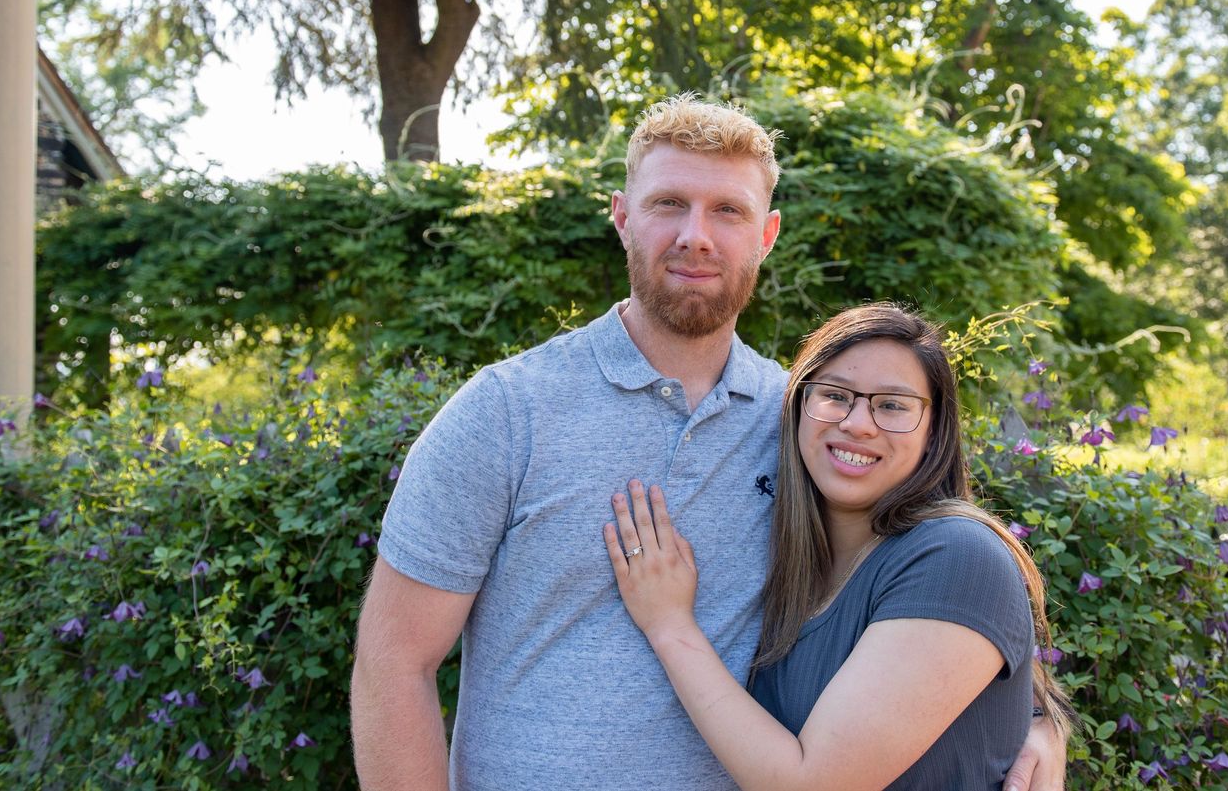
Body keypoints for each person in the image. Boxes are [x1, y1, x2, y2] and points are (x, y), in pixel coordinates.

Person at [350, 95, 1065, 791]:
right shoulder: (505, 412)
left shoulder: (803, 423)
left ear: (767, 234)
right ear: (623, 217)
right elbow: (394, 662)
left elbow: (931, 575)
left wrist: (1035, 719)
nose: (697, 233)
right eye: (669, 204)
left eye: (728, 210)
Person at [606, 304, 1068, 791]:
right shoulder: (800, 561)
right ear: (797, 409)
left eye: (892, 404)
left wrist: (670, 625)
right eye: (834, 396)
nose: (858, 423)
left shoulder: (956, 555)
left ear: (935, 432)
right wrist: (1040, 715)